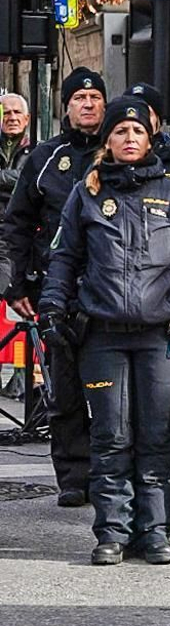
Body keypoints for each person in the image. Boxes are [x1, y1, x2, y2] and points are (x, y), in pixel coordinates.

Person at [38, 96, 170, 565]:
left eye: (137, 133)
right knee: (109, 435)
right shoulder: (86, 194)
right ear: (107, 141)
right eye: (120, 132)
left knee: (157, 434)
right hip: (101, 333)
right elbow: (64, 257)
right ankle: (112, 531)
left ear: (150, 140)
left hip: (159, 333)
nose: (130, 139)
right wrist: (52, 308)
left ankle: (154, 530)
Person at [0, 67, 106, 506]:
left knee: (109, 393)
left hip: (110, 294)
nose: (87, 104)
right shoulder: (45, 157)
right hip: (55, 293)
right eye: (78, 97)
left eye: (95, 97)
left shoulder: (119, 150)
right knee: (63, 392)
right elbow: (17, 225)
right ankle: (73, 477)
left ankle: (110, 475)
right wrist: (14, 284)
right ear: (65, 107)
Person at [0, 93, 31, 399]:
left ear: (27, 119)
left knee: (21, 311)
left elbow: (24, 180)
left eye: (16, 113)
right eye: (5, 112)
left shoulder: (34, 152)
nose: (10, 117)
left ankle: (23, 377)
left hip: (15, 242)